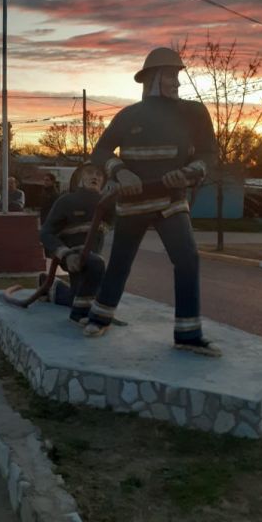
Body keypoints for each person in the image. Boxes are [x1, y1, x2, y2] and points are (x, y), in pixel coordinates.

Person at [83, 46, 221, 357]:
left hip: (171, 201)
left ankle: (188, 333)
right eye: (171, 75)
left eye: (177, 75)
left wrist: (188, 172)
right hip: (131, 203)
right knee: (119, 262)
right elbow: (100, 151)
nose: (176, 82)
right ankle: (99, 316)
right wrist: (120, 172)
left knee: (187, 259)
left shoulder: (193, 112)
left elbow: (209, 154)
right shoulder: (128, 115)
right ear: (153, 78)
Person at [40, 162, 113, 324]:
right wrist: (65, 254)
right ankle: (80, 315)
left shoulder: (108, 205)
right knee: (93, 289)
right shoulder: (66, 201)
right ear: (80, 177)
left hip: (93, 260)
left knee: (88, 295)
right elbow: (45, 233)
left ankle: (53, 288)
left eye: (99, 174)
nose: (95, 176)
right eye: (89, 172)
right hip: (71, 257)